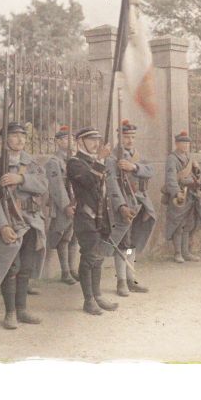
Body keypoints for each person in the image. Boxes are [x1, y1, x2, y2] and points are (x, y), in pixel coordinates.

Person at [0, 122, 48, 329]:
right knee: (11, 266)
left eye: (23, 136)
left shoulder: (32, 164)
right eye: (14, 136)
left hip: (31, 220)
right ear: (4, 140)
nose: (20, 140)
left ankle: (22, 310)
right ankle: (10, 313)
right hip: (10, 221)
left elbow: (43, 185)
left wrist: (21, 178)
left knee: (26, 267)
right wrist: (2, 226)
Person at [66, 126, 135, 315]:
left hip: (101, 216)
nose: (96, 144)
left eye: (98, 140)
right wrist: (101, 159)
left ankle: (97, 296)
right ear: (80, 142)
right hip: (85, 217)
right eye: (91, 140)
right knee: (89, 257)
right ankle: (88, 300)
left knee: (98, 258)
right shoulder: (74, 162)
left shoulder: (95, 161)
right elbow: (89, 181)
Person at [110, 119, 156, 297]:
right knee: (122, 243)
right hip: (123, 204)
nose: (129, 140)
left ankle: (131, 278)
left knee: (132, 243)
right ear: (119, 136)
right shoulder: (113, 157)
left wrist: (134, 167)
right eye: (126, 136)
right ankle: (121, 281)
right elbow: (112, 184)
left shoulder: (136, 155)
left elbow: (151, 169)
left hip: (140, 203)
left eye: (132, 137)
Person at [163, 130, 201, 263]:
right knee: (178, 224)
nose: (185, 146)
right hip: (179, 195)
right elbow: (170, 179)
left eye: (187, 143)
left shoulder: (189, 158)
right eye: (182, 143)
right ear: (176, 143)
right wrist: (176, 192)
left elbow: (195, 176)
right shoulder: (172, 158)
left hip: (191, 195)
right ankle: (177, 253)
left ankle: (186, 252)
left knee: (188, 224)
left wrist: (197, 170)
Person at [45, 125, 78, 285]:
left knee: (74, 237)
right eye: (65, 138)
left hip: (76, 202)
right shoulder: (54, 162)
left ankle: (73, 269)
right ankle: (65, 272)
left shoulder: (75, 159)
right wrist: (66, 206)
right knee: (63, 237)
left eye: (72, 138)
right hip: (62, 205)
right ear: (58, 142)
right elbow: (57, 186)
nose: (70, 141)